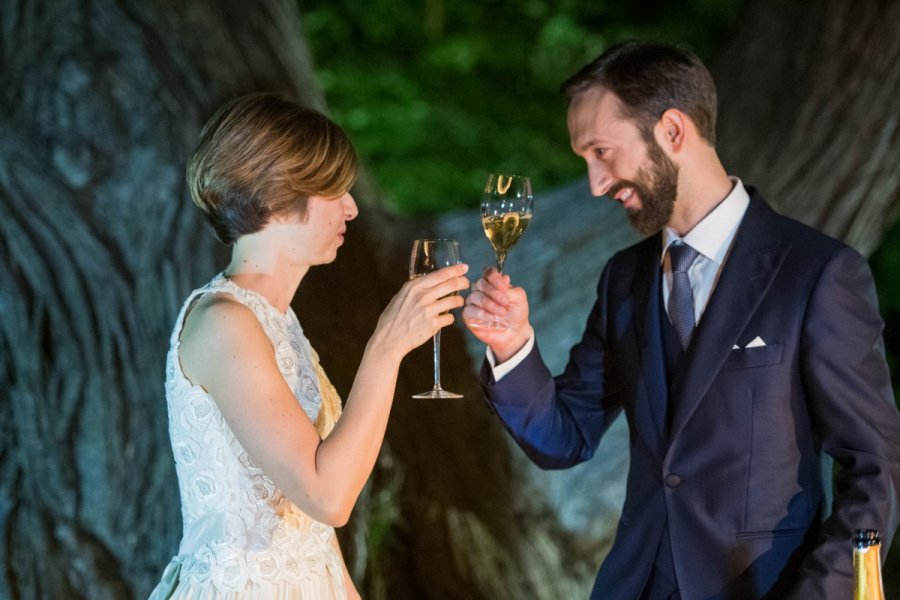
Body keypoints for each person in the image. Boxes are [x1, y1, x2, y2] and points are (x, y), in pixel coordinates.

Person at [464, 41, 900, 599]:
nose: (596, 184)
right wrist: (512, 347)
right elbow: (565, 437)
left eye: (602, 152)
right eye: (585, 161)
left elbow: (876, 469)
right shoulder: (623, 278)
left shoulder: (817, 274)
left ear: (672, 131)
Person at [149, 93, 469, 599]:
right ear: (277, 198)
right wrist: (385, 349)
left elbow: (312, 525)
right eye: (335, 191)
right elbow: (328, 496)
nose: (352, 207)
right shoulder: (223, 323)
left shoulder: (278, 320)